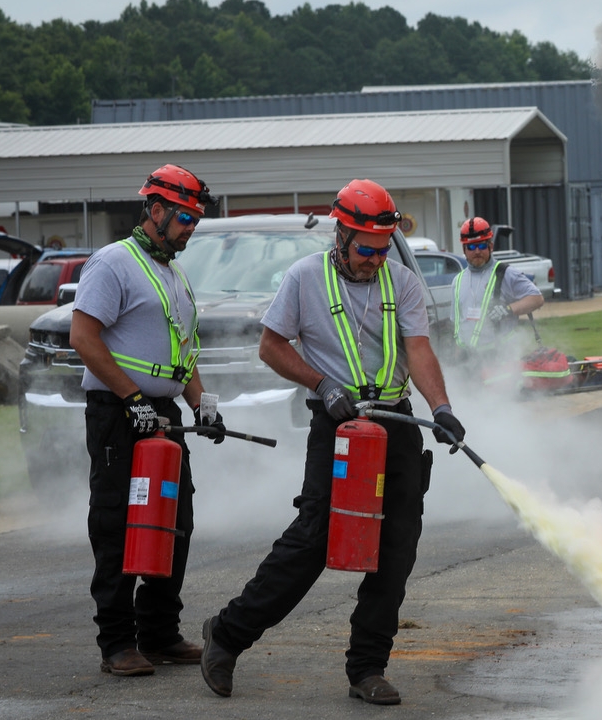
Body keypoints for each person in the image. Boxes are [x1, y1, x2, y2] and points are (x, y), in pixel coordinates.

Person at [199, 178, 466, 706]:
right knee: (314, 539)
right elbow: (271, 347)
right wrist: (322, 385)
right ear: (341, 235)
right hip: (337, 426)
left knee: (396, 547)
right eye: (365, 249)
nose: (373, 259)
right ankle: (226, 636)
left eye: (382, 248)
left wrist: (442, 409)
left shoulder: (403, 283)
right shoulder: (304, 278)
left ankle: (367, 669)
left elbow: (419, 350)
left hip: (396, 423)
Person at [70, 163, 227, 677]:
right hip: (119, 414)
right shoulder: (113, 263)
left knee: (173, 521)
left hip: (163, 414)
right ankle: (117, 643)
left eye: (195, 221)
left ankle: (159, 633)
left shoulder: (172, 273)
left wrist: (203, 402)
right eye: (184, 217)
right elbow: (84, 339)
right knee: (118, 524)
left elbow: (183, 352)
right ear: (154, 210)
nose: (190, 228)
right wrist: (132, 398)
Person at [449, 216, 544, 374]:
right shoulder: (457, 281)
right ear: (464, 249)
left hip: (500, 361)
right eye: (471, 247)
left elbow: (537, 299)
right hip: (468, 363)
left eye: (481, 245)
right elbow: (458, 326)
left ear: (490, 246)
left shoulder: (506, 273)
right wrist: (456, 359)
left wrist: (508, 309)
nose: (477, 251)